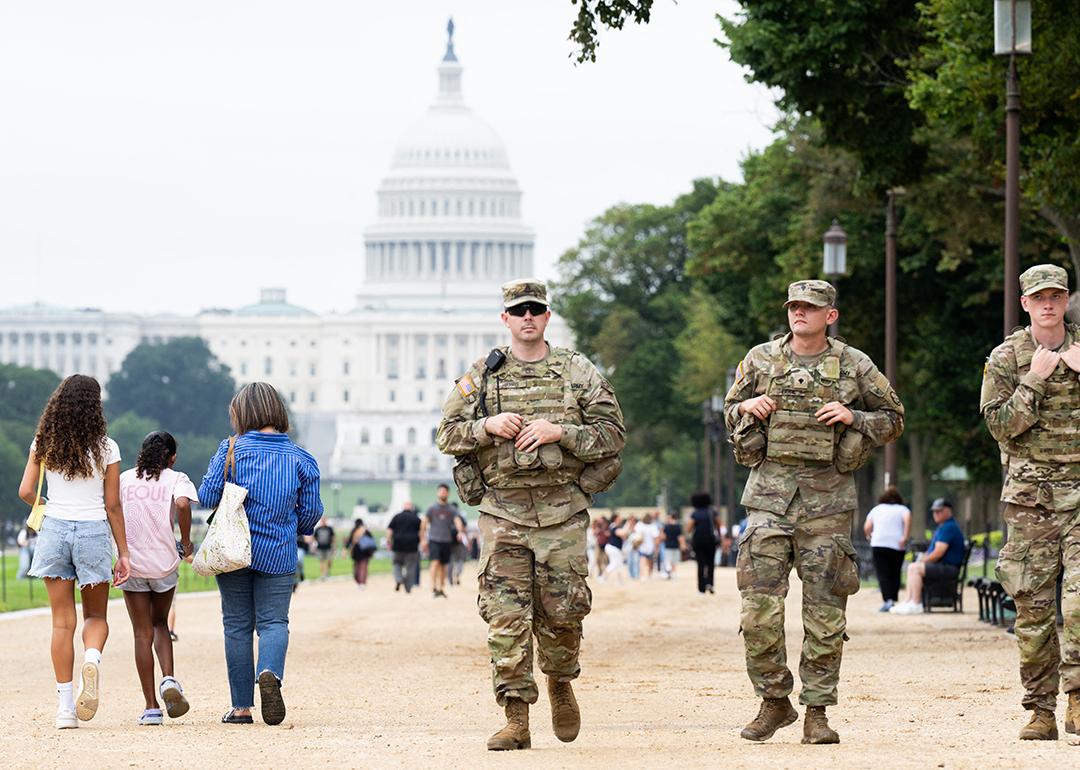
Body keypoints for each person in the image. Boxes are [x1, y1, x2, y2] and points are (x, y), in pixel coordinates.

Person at [437, 278, 625, 751]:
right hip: (504, 513)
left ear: (546, 317)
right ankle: (515, 716)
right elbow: (447, 434)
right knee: (505, 617)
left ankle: (560, 682)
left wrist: (558, 431)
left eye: (535, 310)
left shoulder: (576, 371)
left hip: (561, 513)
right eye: (518, 310)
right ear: (505, 318)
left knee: (562, 613)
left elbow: (612, 434)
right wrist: (486, 425)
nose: (527, 318)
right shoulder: (482, 376)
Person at [725, 279, 904, 744]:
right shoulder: (761, 358)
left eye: (810, 307)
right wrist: (746, 406)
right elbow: (728, 412)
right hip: (767, 500)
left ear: (831, 315)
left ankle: (817, 713)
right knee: (758, 613)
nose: (800, 313)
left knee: (825, 617)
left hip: (827, 506)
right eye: (794, 306)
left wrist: (855, 418)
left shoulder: (854, 364)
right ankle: (774, 701)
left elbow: (894, 419)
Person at [980, 263, 1080, 740]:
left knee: (1079, 604)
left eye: (1056, 296)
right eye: (1039, 297)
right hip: (1029, 502)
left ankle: (1078, 699)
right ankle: (1040, 710)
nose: (1048, 303)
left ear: (1066, 300)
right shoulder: (1006, 357)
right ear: (1024, 304)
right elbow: (1000, 426)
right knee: (1034, 610)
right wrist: (1034, 380)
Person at [198, 382, 322, 726]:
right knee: (274, 623)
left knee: (237, 626)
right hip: (279, 551)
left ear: (242, 414)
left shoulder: (231, 448)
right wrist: (292, 527)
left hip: (233, 549)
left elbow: (207, 495)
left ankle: (241, 708)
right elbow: (312, 511)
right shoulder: (301, 458)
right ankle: (269, 672)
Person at [18, 374, 131, 730]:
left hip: (53, 529)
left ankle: (65, 708)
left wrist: (50, 506)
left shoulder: (43, 442)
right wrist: (124, 553)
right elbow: (112, 506)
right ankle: (93, 660)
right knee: (95, 618)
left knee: (61, 623)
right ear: (95, 406)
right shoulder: (107, 448)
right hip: (94, 531)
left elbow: (25, 491)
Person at [117, 431, 197, 725]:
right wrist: (185, 542)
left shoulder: (124, 479)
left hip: (132, 563)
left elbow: (110, 509)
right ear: (172, 457)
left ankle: (151, 708)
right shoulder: (176, 478)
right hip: (164, 563)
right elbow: (183, 505)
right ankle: (169, 679)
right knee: (160, 623)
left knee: (141, 633)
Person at [890, 499, 965, 615]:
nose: (935, 514)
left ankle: (916, 603)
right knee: (912, 567)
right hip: (944, 566)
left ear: (948, 511)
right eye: (934, 511)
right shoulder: (944, 526)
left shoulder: (949, 527)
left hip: (949, 568)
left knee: (915, 568)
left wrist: (923, 560)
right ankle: (908, 601)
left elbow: (938, 552)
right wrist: (923, 559)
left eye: (939, 511)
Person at [863, 486, 912, 612]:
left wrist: (869, 536)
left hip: (879, 543)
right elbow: (907, 521)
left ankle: (887, 600)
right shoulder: (903, 509)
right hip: (897, 544)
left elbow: (867, 527)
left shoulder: (876, 509)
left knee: (883, 573)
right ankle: (893, 599)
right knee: (895, 572)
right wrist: (904, 537)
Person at [421, 484, 463, 598]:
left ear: (448, 493)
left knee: (444, 566)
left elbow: (457, 521)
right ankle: (433, 587)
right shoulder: (432, 508)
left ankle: (441, 587)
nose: (443, 493)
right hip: (434, 539)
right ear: (437, 493)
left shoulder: (451, 509)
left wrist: (460, 531)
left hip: (446, 540)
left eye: (445, 492)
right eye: (441, 492)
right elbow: (424, 523)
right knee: (435, 563)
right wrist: (423, 539)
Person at [685, 493, 719, 594]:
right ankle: (710, 583)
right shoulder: (712, 512)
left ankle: (701, 587)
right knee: (710, 563)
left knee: (700, 564)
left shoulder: (695, 514)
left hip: (698, 541)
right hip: (710, 540)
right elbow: (719, 524)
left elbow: (688, 529)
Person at [387, 501, 422, 593]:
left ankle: (398, 579)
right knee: (411, 567)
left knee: (396, 564)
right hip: (412, 547)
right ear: (412, 508)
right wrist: (422, 542)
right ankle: (408, 588)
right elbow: (421, 532)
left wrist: (389, 542)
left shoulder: (397, 517)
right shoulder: (416, 519)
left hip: (398, 546)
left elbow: (389, 530)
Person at [344, 518, 376, 589]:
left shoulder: (354, 531)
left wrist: (345, 549)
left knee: (356, 568)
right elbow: (372, 541)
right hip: (366, 552)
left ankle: (359, 582)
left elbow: (349, 541)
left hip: (356, 552)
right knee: (363, 568)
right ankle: (362, 583)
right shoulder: (366, 531)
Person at [633, 513, 660, 579]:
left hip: (647, 547)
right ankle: (645, 575)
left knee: (647, 562)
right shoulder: (648, 526)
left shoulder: (650, 526)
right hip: (646, 547)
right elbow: (656, 538)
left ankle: (646, 575)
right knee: (645, 561)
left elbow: (656, 538)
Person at [661, 512, 685, 579]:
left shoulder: (666, 527)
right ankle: (673, 574)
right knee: (674, 561)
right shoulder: (678, 527)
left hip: (668, 545)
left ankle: (668, 571)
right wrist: (682, 545)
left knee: (668, 560)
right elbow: (680, 537)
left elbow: (663, 537)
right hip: (676, 546)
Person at [602, 514, 625, 583]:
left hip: (613, 548)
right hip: (613, 548)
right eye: (619, 519)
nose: (621, 520)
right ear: (615, 519)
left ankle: (619, 580)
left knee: (618, 564)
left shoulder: (613, 526)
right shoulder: (614, 526)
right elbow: (621, 534)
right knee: (614, 564)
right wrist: (629, 526)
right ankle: (603, 577)